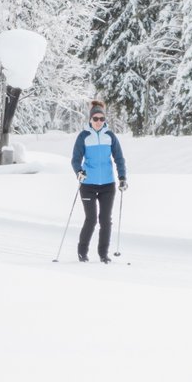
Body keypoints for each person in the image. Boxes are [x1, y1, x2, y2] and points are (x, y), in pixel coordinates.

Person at [68, 100, 127, 262]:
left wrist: (122, 177)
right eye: (96, 119)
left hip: (108, 185)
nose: (99, 122)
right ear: (90, 119)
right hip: (88, 185)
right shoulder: (83, 137)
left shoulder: (110, 136)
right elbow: (75, 159)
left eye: (102, 119)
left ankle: (103, 255)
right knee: (91, 219)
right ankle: (82, 252)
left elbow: (119, 158)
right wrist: (78, 172)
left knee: (105, 220)